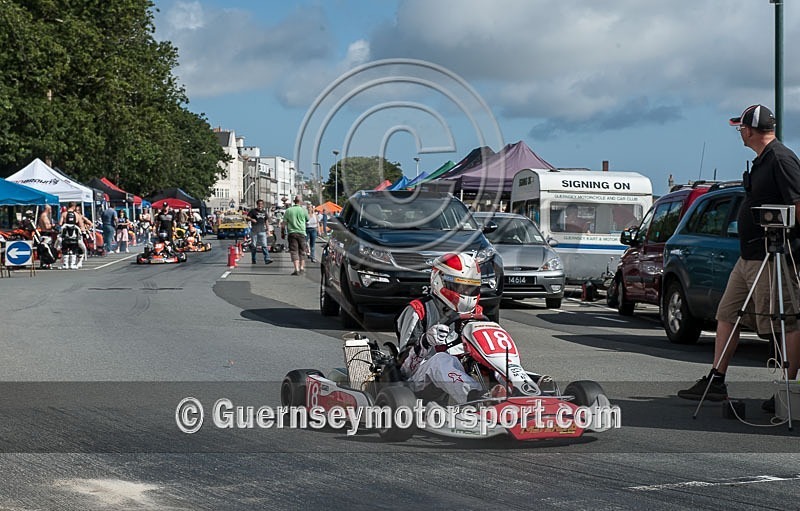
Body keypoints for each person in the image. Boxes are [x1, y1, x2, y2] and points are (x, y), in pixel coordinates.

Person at [678, 104, 800, 412]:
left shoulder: (781, 159)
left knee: (785, 322)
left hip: (772, 257)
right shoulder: (763, 160)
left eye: (740, 128)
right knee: (727, 313)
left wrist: (786, 234)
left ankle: (787, 391)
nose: (739, 133)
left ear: (750, 130)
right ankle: (717, 380)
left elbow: (798, 204)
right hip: (749, 255)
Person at [395, 253, 488, 404]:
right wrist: (424, 342)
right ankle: (478, 400)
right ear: (439, 280)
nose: (465, 293)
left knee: (493, 358)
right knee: (441, 360)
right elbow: (404, 369)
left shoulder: (476, 312)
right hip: (420, 378)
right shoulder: (419, 310)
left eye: (470, 288)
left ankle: (522, 389)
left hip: (460, 372)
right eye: (460, 286)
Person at [281, 195, 309, 275]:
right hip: (302, 233)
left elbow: (284, 223)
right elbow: (307, 219)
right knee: (302, 250)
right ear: (301, 201)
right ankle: (302, 268)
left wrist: (282, 232)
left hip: (292, 233)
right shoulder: (304, 210)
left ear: (294, 201)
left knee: (294, 251)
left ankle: (296, 269)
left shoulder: (289, 210)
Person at [60, 202, 91, 267]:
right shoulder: (77, 215)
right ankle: (73, 264)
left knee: (64, 248)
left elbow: (60, 224)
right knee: (81, 248)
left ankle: (65, 264)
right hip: (75, 235)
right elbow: (81, 226)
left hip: (66, 235)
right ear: (74, 207)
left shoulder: (64, 214)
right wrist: (84, 233)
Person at [247, 199, 273, 265]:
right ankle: (254, 259)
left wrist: (268, 230)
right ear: (257, 204)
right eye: (259, 204)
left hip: (262, 231)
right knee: (254, 246)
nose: (260, 206)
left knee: (264, 245)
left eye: (261, 204)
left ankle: (267, 259)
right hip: (254, 231)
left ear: (263, 205)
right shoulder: (253, 211)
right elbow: (247, 217)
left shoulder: (264, 212)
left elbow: (266, 221)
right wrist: (252, 219)